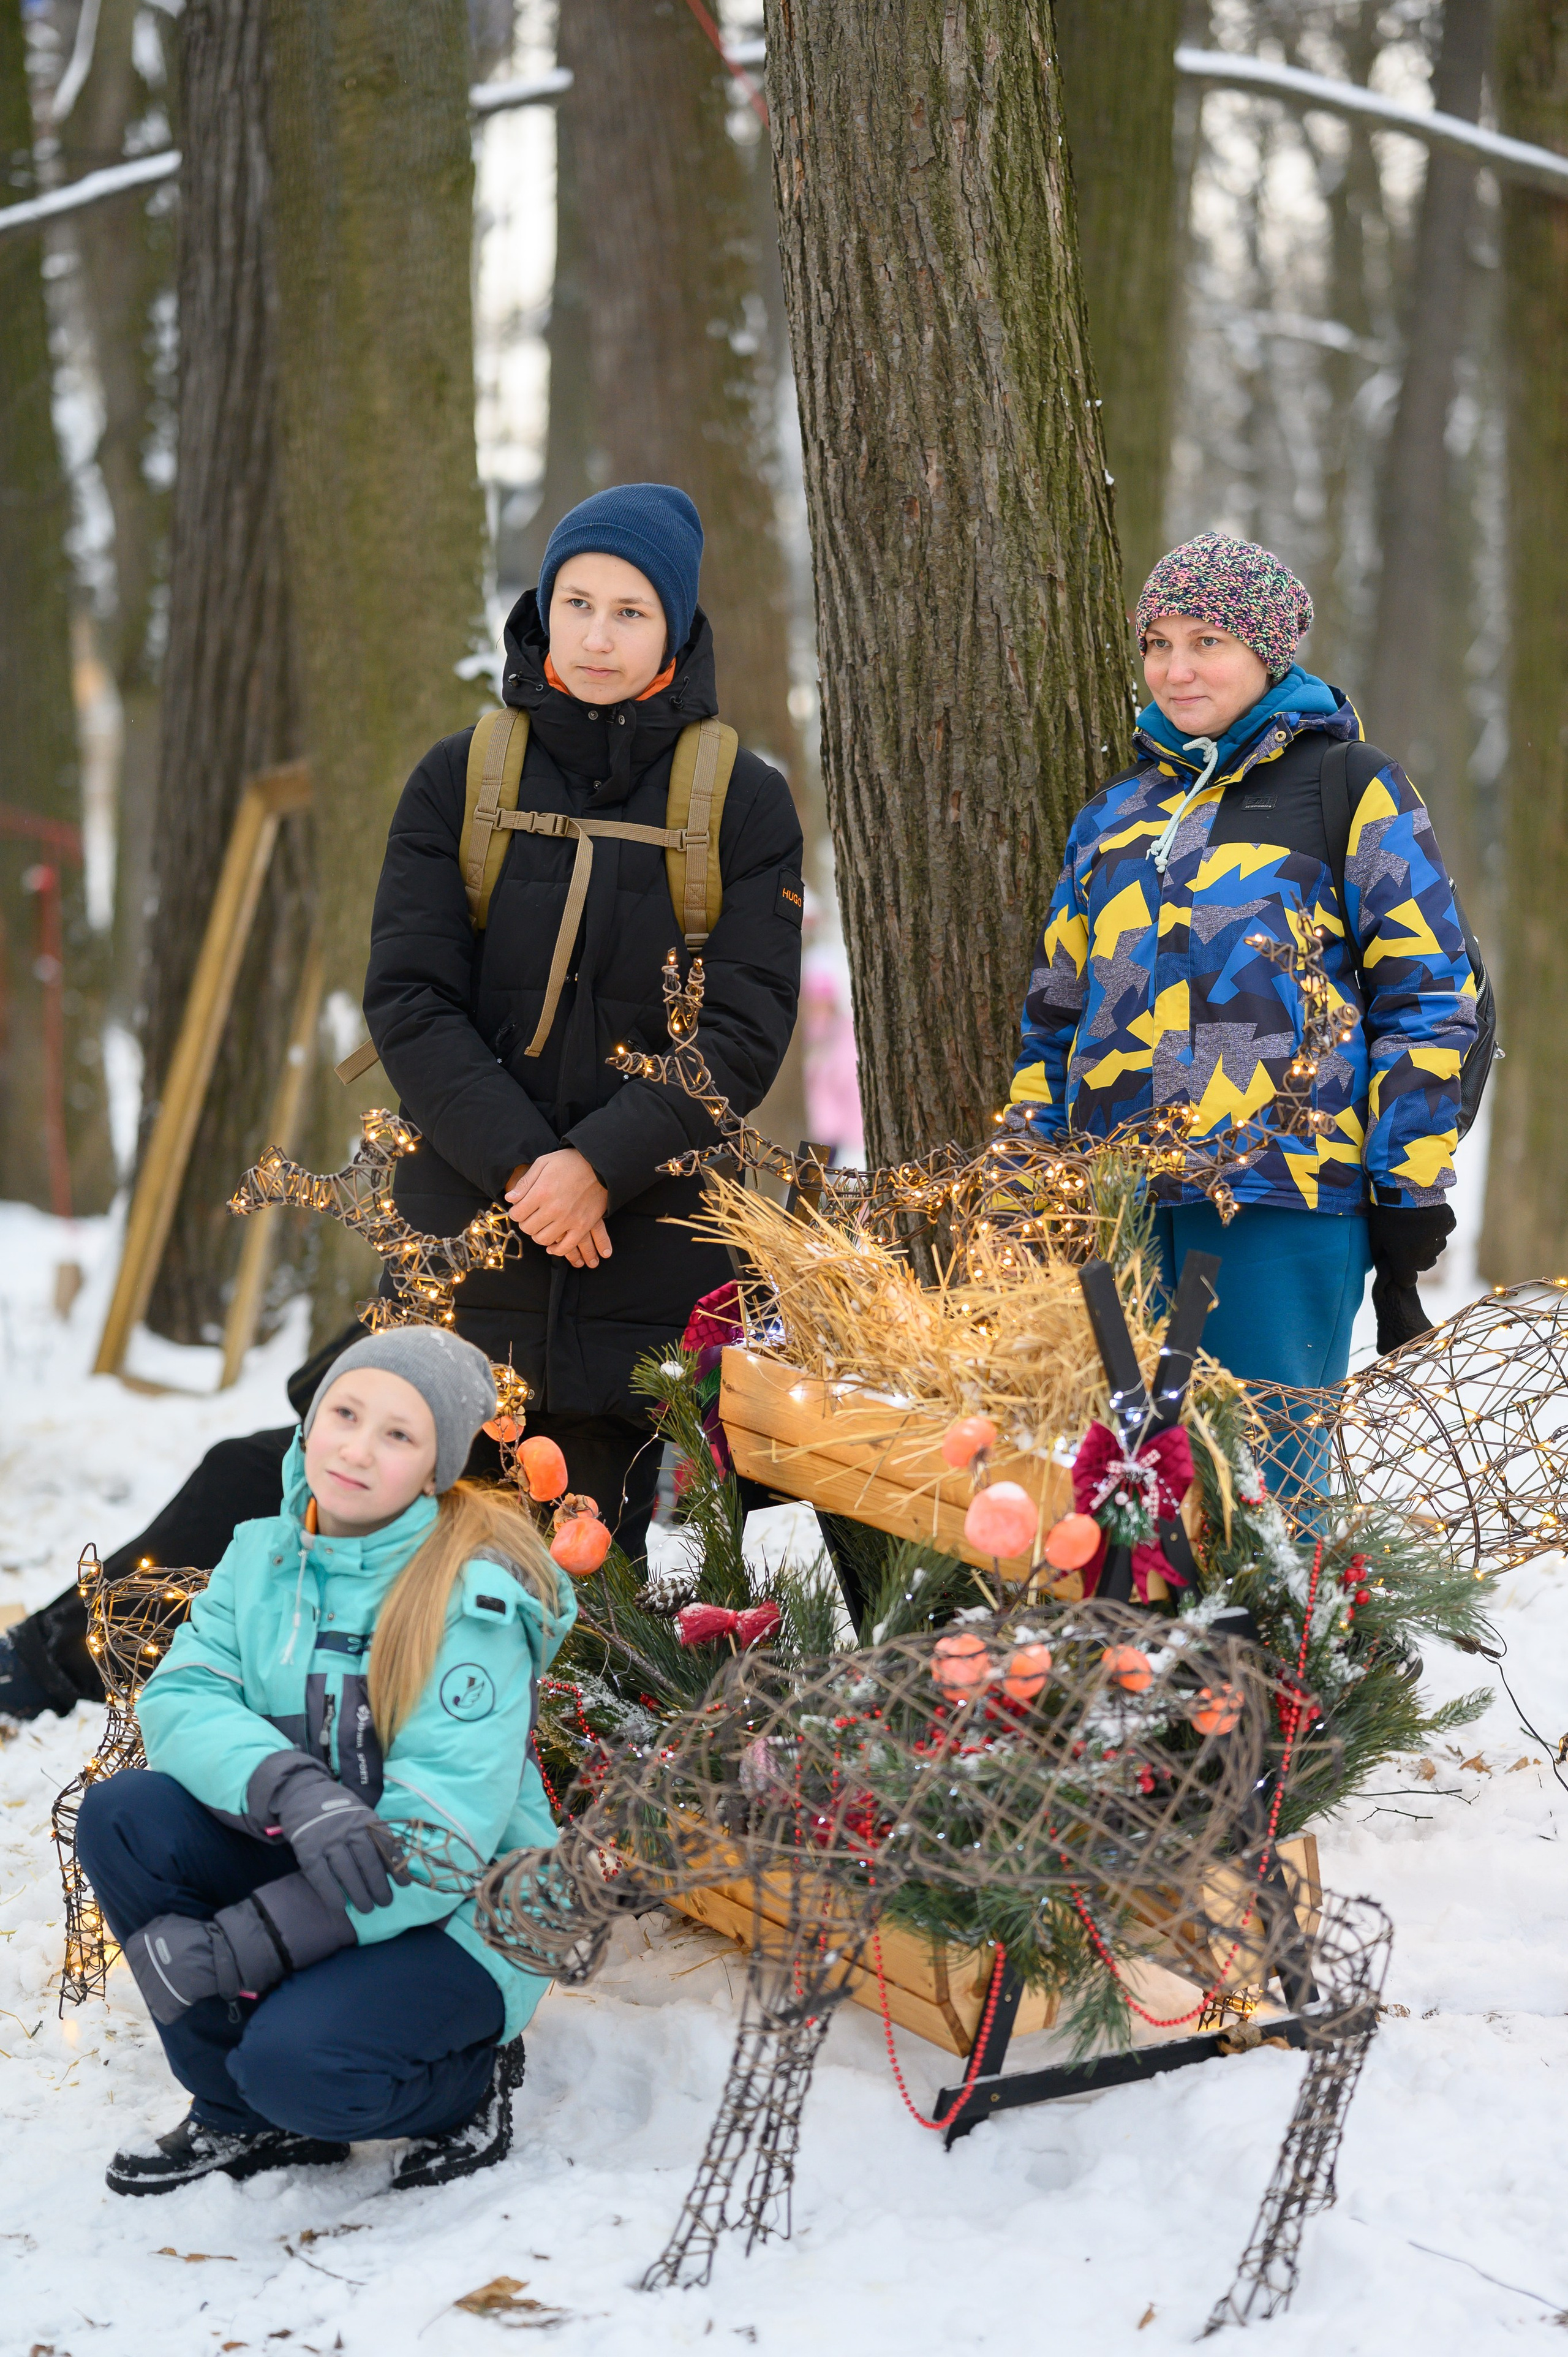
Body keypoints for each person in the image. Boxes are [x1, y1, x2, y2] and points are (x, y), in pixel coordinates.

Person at [361, 481, 803, 1545]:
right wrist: (527, 1169)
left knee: (586, 1593)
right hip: (466, 1243)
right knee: (393, 1553)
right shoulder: (458, 779)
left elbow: (744, 1028)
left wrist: (598, 1166)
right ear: (543, 606)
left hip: (647, 1264)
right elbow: (409, 998)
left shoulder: (744, 802)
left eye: (631, 612)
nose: (597, 637)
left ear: (677, 629)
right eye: (578, 603)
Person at [77, 1326, 573, 2197]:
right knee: (128, 1815)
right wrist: (292, 1788)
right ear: (310, 1420)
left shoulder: (475, 1596)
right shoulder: (257, 1555)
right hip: (321, 1860)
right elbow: (181, 1700)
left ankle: (463, 2082)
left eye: (398, 1434)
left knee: (301, 2069)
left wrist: (237, 1949)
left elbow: (445, 1842)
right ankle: (240, 2116)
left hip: (463, 1908)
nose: (356, 1448)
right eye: (345, 1413)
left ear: (435, 1470)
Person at [1009, 531, 1476, 1400]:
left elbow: (1427, 994)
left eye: (1206, 643)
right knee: (1119, 1496)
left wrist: (1408, 1183)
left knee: (1266, 1500)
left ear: (1266, 652)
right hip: (1119, 1207)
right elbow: (1054, 1014)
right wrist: (1028, 1171)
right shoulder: (1113, 816)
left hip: (1283, 1197)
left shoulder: (1349, 785)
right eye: (1159, 644)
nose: (1176, 669)